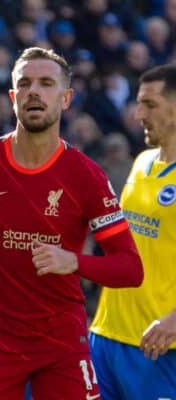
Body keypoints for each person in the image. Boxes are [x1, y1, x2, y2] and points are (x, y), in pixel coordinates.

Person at [0, 47, 144, 400]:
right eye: (25, 84)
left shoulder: (87, 177)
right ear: (12, 97)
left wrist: (75, 262)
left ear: (66, 99)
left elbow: (130, 268)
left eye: (46, 83)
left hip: (61, 344)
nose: (34, 91)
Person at [89, 64, 176, 399]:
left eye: (150, 105)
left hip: (158, 347)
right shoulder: (141, 162)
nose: (139, 114)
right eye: (138, 103)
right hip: (106, 336)